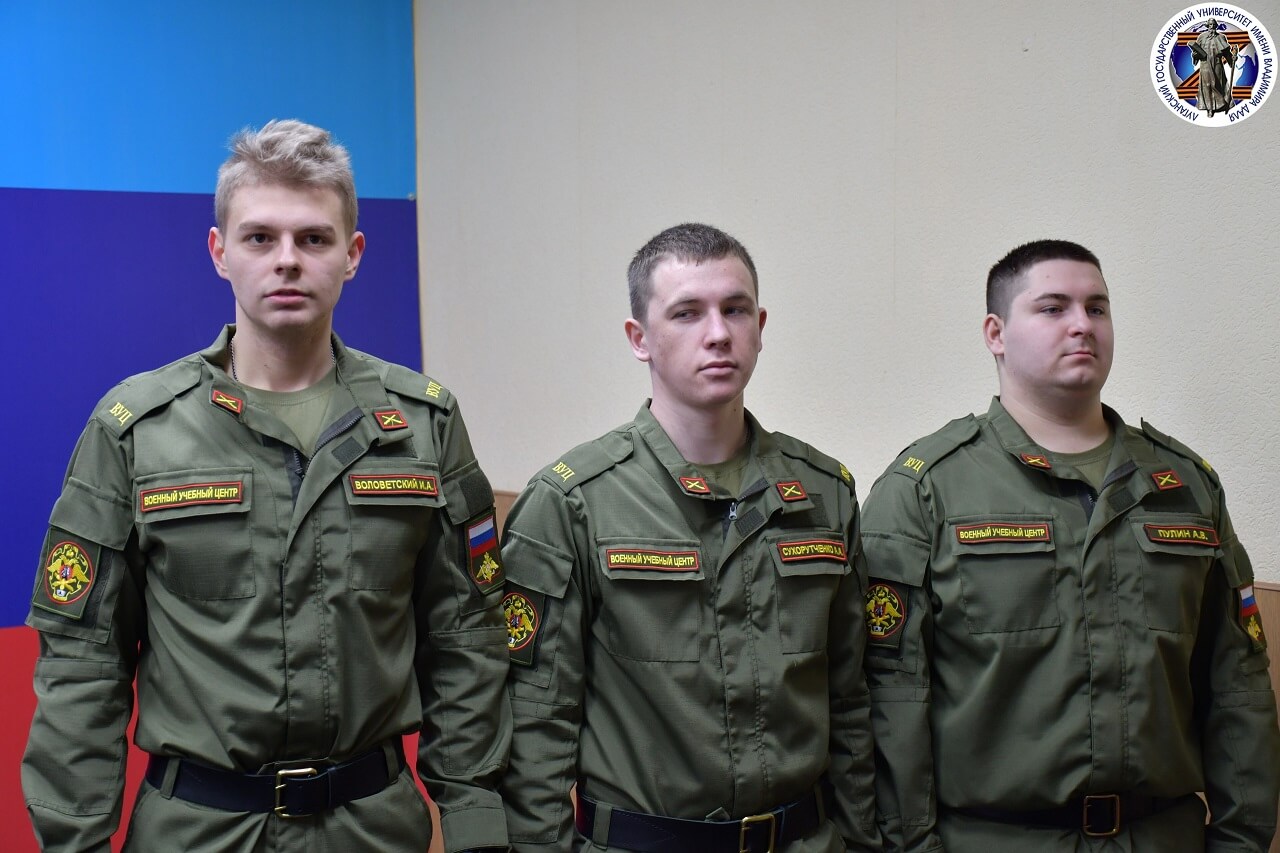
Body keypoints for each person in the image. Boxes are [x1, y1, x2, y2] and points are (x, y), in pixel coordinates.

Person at [22, 119, 511, 852]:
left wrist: (475, 829)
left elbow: (467, 642)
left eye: (313, 238)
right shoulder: (137, 429)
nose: (287, 260)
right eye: (259, 238)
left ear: (353, 254)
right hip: (197, 830)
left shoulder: (422, 424)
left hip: (372, 830)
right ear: (219, 252)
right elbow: (83, 664)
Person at [861, 239, 1280, 851]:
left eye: (1097, 308)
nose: (1083, 324)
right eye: (1053, 308)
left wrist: (1242, 841)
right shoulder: (926, 490)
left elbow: (1238, 684)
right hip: (993, 840)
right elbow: (890, 697)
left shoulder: (1185, 485)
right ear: (996, 333)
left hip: (1162, 837)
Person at [497, 223, 881, 852]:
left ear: (760, 326)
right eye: (687, 313)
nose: (718, 333)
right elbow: (536, 727)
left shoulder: (823, 493)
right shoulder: (574, 503)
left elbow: (851, 703)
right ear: (639, 338)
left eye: (736, 309)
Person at [1191, 18, 1237, 117]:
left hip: (1217, 64)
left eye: (1213, 25)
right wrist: (1194, 55)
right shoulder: (1201, 37)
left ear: (1216, 26)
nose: (1212, 27)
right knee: (1207, 85)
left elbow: (1226, 53)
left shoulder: (1221, 37)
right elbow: (1196, 51)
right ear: (1207, 26)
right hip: (1205, 64)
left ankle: (1221, 105)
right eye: (1210, 25)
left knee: (1217, 84)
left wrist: (1232, 59)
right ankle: (1210, 108)